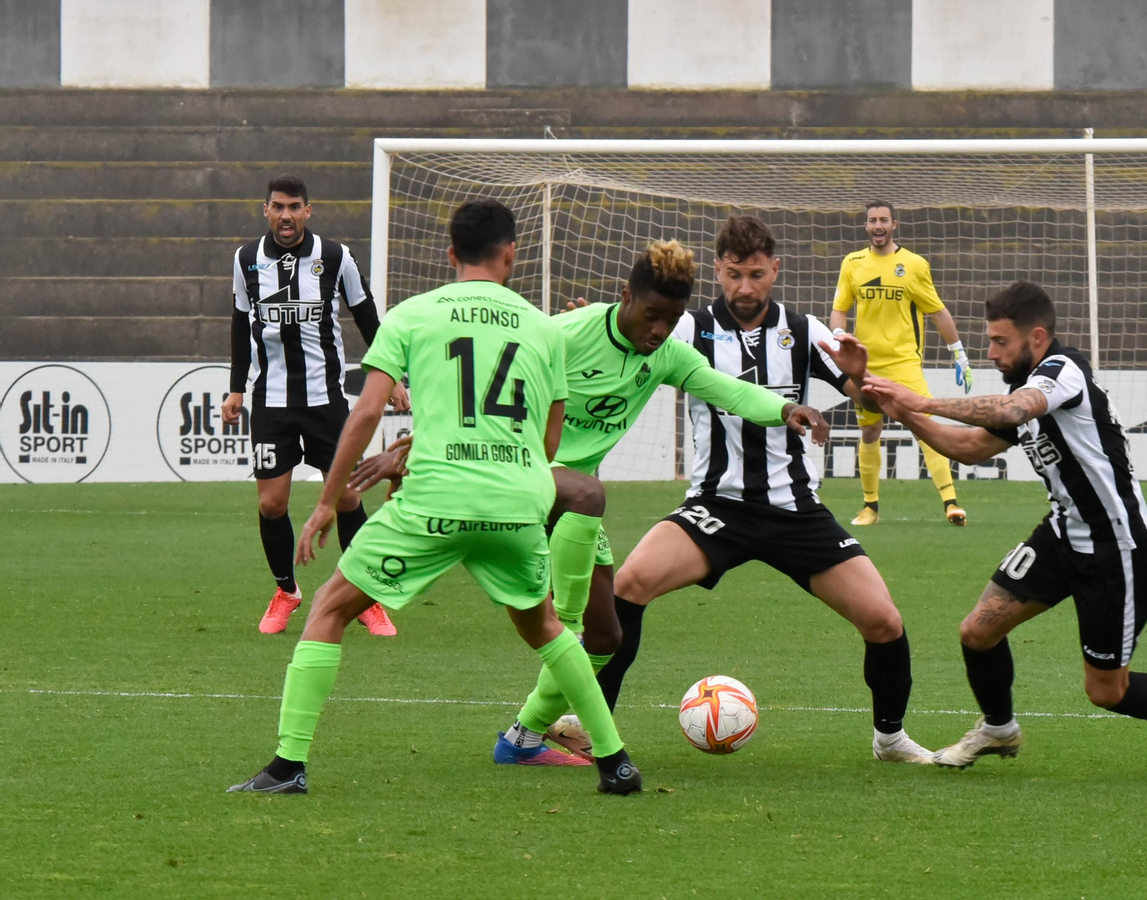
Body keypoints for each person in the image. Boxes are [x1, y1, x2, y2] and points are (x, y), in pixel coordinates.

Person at [353, 239, 829, 765]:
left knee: (608, 637)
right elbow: (485, 389)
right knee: (585, 510)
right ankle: (564, 622)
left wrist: (785, 408)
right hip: (518, 479)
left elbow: (728, 390)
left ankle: (523, 738)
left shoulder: (666, 354)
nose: (658, 331)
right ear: (625, 295)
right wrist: (419, 444)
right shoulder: (563, 334)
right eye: (651, 316)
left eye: (670, 321)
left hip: (572, 499)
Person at [228, 199, 640, 795]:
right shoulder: (545, 330)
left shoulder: (413, 315)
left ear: (451, 255)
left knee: (329, 609)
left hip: (436, 501)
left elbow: (368, 410)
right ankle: (616, 762)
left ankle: (288, 767)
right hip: (517, 503)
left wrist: (327, 501)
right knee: (547, 626)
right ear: (511, 255)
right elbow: (549, 441)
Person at [575, 214, 937, 763]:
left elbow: (867, 406)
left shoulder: (806, 330)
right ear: (719, 270)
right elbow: (625, 349)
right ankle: (589, 723)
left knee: (883, 619)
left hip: (796, 511)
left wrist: (860, 379)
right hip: (716, 506)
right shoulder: (685, 329)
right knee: (629, 584)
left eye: (757, 275)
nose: (745, 288)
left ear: (776, 270)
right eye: (734, 275)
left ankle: (890, 738)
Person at [858, 280, 1147, 775]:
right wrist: (904, 412)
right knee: (978, 632)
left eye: (1000, 342)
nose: (991, 352)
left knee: (1106, 690)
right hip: (1062, 536)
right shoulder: (1025, 384)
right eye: (990, 341)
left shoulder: (1062, 371)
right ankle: (998, 727)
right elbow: (971, 447)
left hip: (1115, 548)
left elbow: (1014, 409)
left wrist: (922, 400)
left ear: (1036, 338)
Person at [222, 174, 409, 637]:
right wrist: (236, 388)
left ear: (309, 211)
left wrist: (392, 378)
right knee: (271, 504)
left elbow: (367, 317)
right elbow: (240, 325)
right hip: (271, 401)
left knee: (346, 496)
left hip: (326, 400)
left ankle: (364, 596)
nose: (286, 215)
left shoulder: (335, 256)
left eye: (295, 207)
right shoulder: (246, 261)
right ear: (265, 210)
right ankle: (286, 591)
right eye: (278, 207)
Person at [829, 200, 970, 527]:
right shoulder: (852, 263)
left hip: (906, 363)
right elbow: (840, 308)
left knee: (927, 428)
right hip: (867, 365)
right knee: (869, 431)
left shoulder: (914, 264)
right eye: (872, 220)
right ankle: (870, 508)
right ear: (866, 226)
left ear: (895, 224)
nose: (877, 226)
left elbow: (937, 311)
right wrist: (838, 332)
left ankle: (951, 502)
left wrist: (958, 352)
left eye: (883, 220)